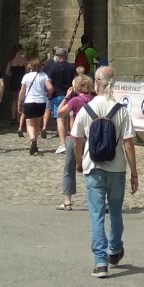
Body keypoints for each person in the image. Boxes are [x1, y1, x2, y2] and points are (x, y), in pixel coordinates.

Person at [70, 64, 137, 278]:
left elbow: (76, 139)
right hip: (117, 168)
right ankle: (114, 250)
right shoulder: (121, 110)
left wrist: (79, 162)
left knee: (96, 214)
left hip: (93, 167)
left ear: (96, 83)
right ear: (113, 84)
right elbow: (128, 144)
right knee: (115, 212)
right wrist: (134, 172)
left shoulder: (86, 109)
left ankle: (100, 262)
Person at [56, 76, 94, 212]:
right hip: (91, 138)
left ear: (76, 87)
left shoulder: (75, 100)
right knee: (94, 169)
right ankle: (97, 199)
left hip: (76, 137)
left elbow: (59, 112)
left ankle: (67, 201)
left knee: (69, 169)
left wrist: (67, 97)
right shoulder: (94, 100)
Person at [43, 47, 76, 152]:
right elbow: (75, 82)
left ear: (59, 56)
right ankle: (68, 142)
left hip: (57, 96)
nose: (56, 57)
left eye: (57, 55)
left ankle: (62, 144)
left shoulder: (53, 68)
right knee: (67, 119)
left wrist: (50, 93)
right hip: (69, 96)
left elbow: (49, 82)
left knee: (60, 119)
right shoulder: (72, 67)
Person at [18, 57, 49, 156]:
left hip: (29, 101)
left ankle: (32, 140)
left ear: (30, 66)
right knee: (37, 124)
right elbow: (50, 87)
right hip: (41, 102)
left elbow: (22, 91)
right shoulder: (44, 76)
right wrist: (48, 93)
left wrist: (19, 102)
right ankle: (35, 144)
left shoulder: (26, 76)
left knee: (30, 124)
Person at [4, 45, 26, 135]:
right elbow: (26, 70)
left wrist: (12, 75)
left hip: (13, 80)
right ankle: (18, 118)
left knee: (14, 100)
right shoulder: (23, 59)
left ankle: (13, 117)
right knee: (20, 99)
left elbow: (6, 72)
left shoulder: (11, 60)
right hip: (21, 81)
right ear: (19, 50)